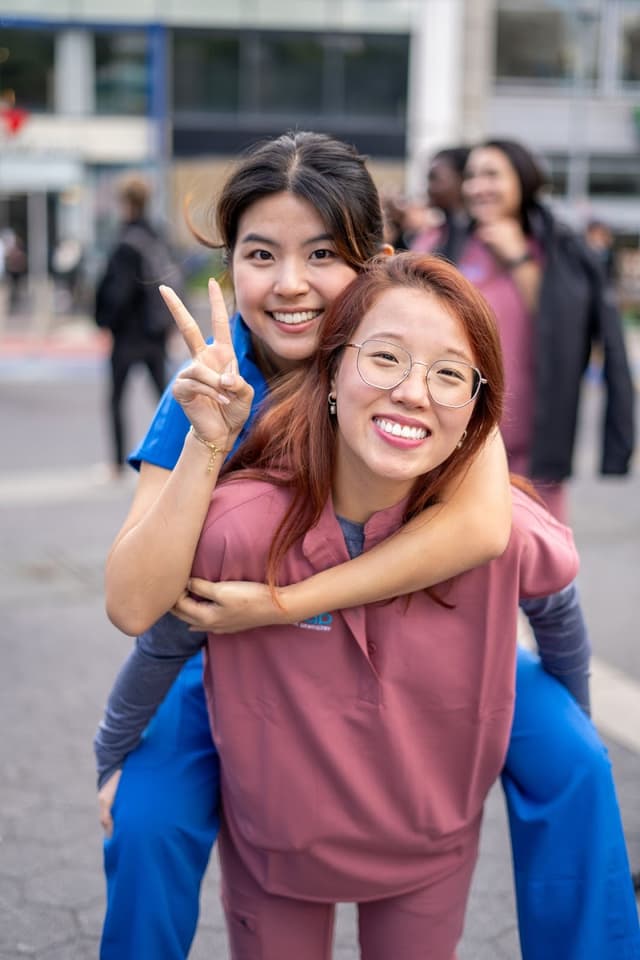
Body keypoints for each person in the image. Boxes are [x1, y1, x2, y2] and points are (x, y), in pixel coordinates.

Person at [95, 133, 640, 960]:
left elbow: (486, 529)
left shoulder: (416, 364)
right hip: (239, 648)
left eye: (323, 253)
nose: (289, 283)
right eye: (259, 253)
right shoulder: (214, 378)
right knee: (144, 816)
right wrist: (210, 443)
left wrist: (283, 602)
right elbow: (142, 605)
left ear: (378, 264)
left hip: (402, 637)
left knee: (576, 763)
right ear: (227, 262)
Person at [415, 138, 635, 523]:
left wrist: (517, 259)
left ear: (523, 180)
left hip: (532, 440)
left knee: (538, 560)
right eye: (471, 176)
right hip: (457, 433)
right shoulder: (444, 243)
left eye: (492, 175)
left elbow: (565, 326)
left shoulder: (558, 248)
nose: (478, 186)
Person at [95, 175, 182, 473]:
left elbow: (118, 293)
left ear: (126, 203)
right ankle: (180, 458)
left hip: (128, 335)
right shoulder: (157, 236)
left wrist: (105, 320)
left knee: (117, 399)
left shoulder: (126, 242)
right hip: (155, 332)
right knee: (166, 399)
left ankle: (118, 464)